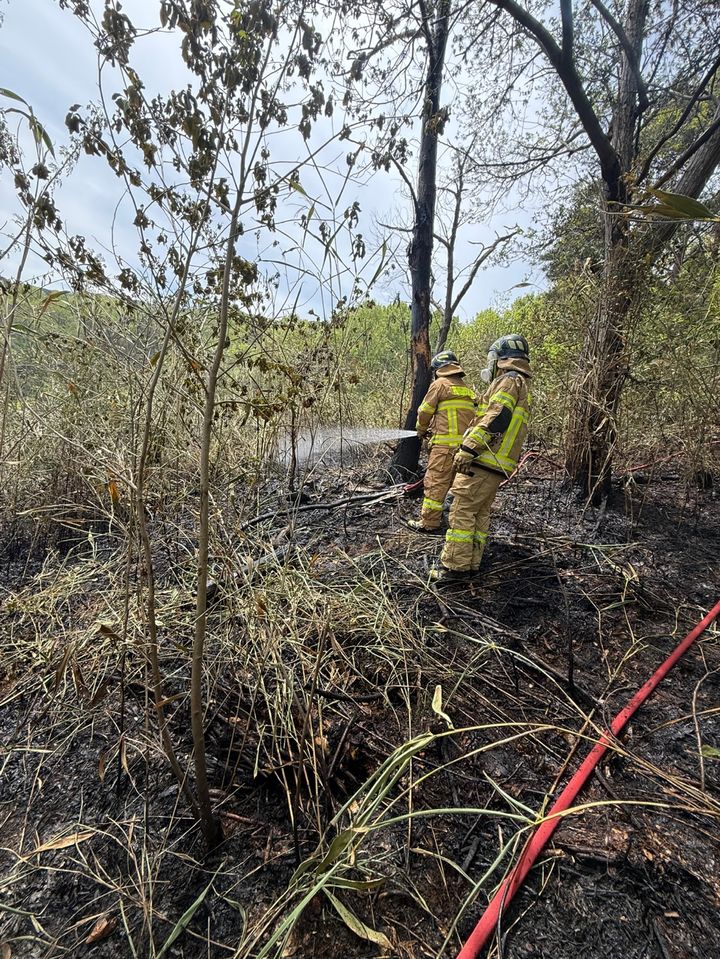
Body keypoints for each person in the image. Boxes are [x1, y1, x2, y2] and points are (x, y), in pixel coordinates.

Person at [430, 334, 532, 582]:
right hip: (497, 462)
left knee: (461, 509)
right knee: (480, 511)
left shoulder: (509, 381)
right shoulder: (521, 383)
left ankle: (454, 568)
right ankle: (471, 563)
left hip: (486, 458)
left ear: (502, 359)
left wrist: (469, 448)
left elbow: (497, 418)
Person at [408, 350, 478, 532]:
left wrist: (421, 430)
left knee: (435, 483)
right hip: (464, 450)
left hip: (444, 448)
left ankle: (429, 523)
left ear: (438, 369)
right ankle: (453, 520)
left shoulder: (439, 385)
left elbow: (424, 411)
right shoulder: (467, 390)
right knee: (456, 485)